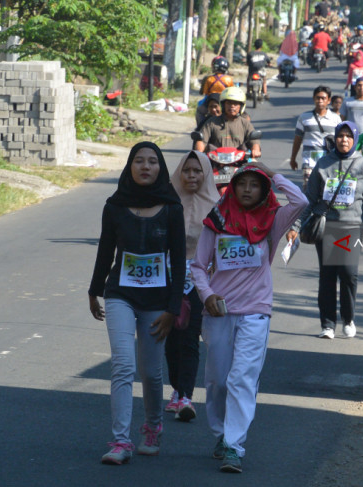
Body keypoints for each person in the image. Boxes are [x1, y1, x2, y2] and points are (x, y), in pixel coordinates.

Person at [191, 162, 307, 473]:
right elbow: (199, 266)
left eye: (254, 184)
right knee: (217, 381)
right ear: (233, 187)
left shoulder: (273, 220)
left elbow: (301, 201)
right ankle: (221, 434)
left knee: (242, 378)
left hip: (256, 311)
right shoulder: (215, 219)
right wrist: (207, 295)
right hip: (219, 312)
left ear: (264, 189)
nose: (246, 189)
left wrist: (272, 174)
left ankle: (234, 445)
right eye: (241, 183)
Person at [89, 141, 186, 465]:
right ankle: (120, 441)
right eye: (139, 161)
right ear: (129, 166)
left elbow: (180, 260)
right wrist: (94, 290)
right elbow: (106, 251)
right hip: (120, 294)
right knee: (123, 365)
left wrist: (174, 308)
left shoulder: (172, 207)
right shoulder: (114, 206)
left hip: (158, 301)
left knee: (151, 372)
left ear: (161, 168)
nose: (146, 166)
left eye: (152, 162)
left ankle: (153, 427)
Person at [286, 121, 363, 340]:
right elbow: (309, 199)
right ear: (335, 138)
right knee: (327, 277)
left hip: (351, 226)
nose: (344, 139)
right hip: (326, 226)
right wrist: (295, 226)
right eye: (340, 135)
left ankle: (348, 319)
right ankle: (328, 324)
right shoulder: (323, 163)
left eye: (348, 136)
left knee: (348, 274)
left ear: (354, 138)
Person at [164, 151, 220, 422]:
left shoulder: (217, 205)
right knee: (170, 337)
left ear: (206, 173)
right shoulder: (166, 200)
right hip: (166, 277)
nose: (192, 176)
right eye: (187, 170)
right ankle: (175, 389)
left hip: (201, 279)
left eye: (198, 171)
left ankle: (185, 395)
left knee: (190, 338)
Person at [290, 85, 343, 190]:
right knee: (309, 191)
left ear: (328, 100)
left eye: (323, 98)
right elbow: (297, 139)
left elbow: (340, 140)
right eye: (318, 98)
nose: (320, 101)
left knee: (327, 192)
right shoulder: (304, 118)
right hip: (309, 162)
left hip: (329, 162)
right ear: (314, 99)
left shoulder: (336, 119)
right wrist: (293, 158)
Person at [196, 87, 262, 159]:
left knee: (259, 169)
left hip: (240, 163)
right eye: (229, 103)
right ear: (223, 105)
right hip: (215, 163)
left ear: (241, 106)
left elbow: (254, 141)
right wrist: (199, 152)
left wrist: (255, 150)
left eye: (235, 103)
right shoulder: (211, 122)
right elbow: (202, 141)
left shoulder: (245, 124)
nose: (232, 106)